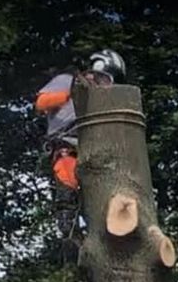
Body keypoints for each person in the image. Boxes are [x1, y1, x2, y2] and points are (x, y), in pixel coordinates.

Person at [35, 50, 126, 236]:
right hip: (66, 143)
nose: (106, 85)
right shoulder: (67, 80)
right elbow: (41, 103)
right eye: (105, 79)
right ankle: (70, 234)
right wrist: (71, 92)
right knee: (68, 193)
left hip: (94, 148)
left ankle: (107, 232)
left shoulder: (103, 100)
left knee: (101, 199)